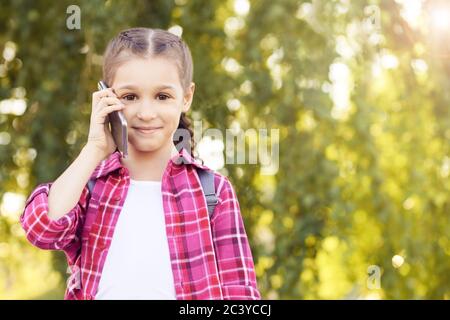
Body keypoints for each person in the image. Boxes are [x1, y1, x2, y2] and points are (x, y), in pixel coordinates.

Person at [20, 27, 260, 300]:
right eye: (130, 97)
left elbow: (241, 295)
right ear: (107, 97)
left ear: (187, 98)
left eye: (162, 96)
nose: (146, 113)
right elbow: (41, 228)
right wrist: (94, 149)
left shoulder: (214, 191)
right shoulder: (91, 185)